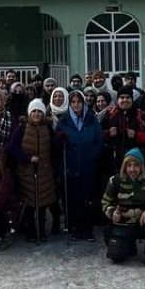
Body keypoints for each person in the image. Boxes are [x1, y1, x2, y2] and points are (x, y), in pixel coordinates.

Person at [101, 148, 145, 267]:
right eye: (129, 165)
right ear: (124, 166)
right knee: (116, 256)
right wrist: (112, 213)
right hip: (124, 224)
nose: (132, 169)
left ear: (141, 166)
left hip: (143, 223)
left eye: (136, 165)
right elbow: (105, 202)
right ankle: (129, 245)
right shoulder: (115, 181)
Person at [7, 99, 61, 242]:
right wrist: (27, 158)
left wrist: (59, 142)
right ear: (29, 113)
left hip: (44, 172)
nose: (36, 114)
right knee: (29, 204)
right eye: (34, 111)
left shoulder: (47, 128)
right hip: (27, 172)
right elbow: (13, 148)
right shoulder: (21, 128)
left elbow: (53, 149)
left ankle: (41, 231)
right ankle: (31, 232)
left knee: (42, 204)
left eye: (39, 111)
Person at [57, 89, 104, 242]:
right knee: (73, 198)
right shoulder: (64, 121)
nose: (76, 105)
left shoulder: (91, 119)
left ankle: (88, 229)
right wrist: (60, 140)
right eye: (73, 102)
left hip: (88, 165)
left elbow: (99, 141)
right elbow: (56, 145)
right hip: (71, 166)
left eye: (79, 102)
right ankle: (76, 228)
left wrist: (92, 156)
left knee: (88, 198)